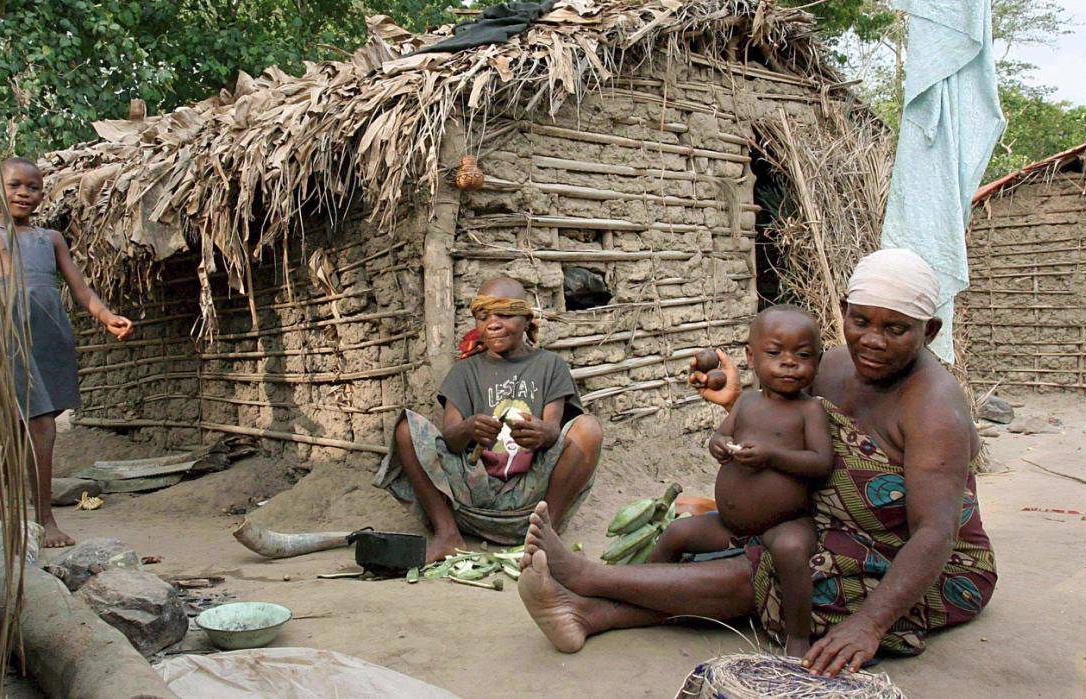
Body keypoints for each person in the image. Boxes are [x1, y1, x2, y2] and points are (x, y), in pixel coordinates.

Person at [516, 249, 996, 677]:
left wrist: (869, 624)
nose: (872, 340)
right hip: (836, 532)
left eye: (895, 329)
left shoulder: (934, 407)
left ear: (929, 331)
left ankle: (589, 581)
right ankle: (590, 614)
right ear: (844, 313)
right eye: (861, 322)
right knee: (754, 548)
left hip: (929, 563)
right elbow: (792, 427)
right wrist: (735, 406)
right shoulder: (829, 365)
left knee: (780, 567)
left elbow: (935, 533)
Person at [374, 277, 603, 563]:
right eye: (483, 317)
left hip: (531, 501)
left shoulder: (550, 366)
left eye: (504, 315)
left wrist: (542, 434)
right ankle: (447, 534)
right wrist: (468, 429)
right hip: (472, 497)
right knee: (407, 429)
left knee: (589, 429)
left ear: (526, 319)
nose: (492, 324)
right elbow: (451, 441)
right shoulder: (464, 372)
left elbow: (554, 430)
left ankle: (546, 538)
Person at [647, 305, 833, 657]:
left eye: (803, 355)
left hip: (786, 522)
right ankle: (645, 589)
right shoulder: (746, 403)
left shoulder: (809, 411)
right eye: (775, 353)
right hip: (730, 524)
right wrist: (718, 445)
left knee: (791, 550)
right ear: (751, 356)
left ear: (818, 361)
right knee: (677, 533)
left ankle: (797, 637)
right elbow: (719, 436)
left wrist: (772, 456)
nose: (789, 362)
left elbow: (821, 463)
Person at [0, 157, 134, 547]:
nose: (24, 193)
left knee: (32, 421)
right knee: (41, 426)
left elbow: (80, 289)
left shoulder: (50, 239)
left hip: (50, 335)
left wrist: (106, 316)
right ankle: (45, 520)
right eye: (15, 185)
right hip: (10, 336)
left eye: (33, 187)